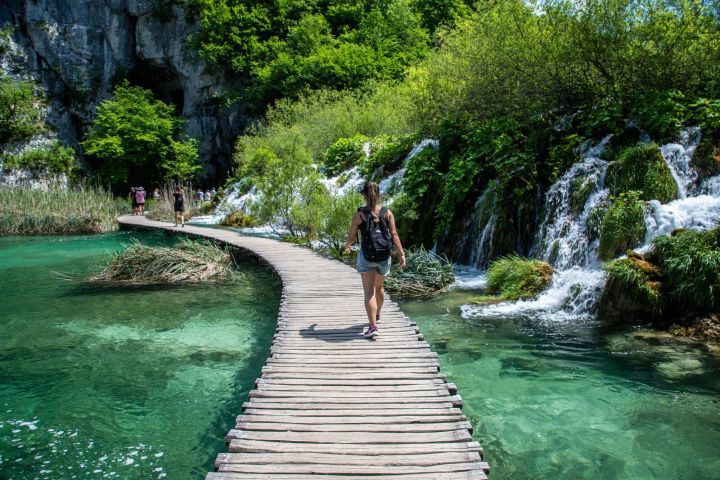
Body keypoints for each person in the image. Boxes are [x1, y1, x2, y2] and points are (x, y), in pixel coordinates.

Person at [343, 182, 406, 338]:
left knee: (369, 292)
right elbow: (394, 234)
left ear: (364, 195)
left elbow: (351, 237)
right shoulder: (387, 213)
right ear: (379, 195)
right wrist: (402, 254)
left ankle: (373, 327)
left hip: (367, 257)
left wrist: (347, 246)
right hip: (384, 257)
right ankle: (377, 315)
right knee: (379, 289)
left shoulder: (359, 215)